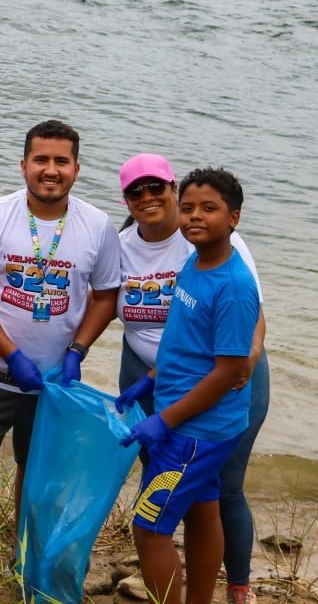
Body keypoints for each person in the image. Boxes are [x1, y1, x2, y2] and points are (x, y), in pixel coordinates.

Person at [0, 120, 121, 568]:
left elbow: (105, 297)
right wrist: (12, 355)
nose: (50, 170)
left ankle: (23, 561)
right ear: (23, 165)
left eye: (61, 161)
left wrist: (78, 352)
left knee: (38, 474)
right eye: (41, 159)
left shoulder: (97, 226)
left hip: (53, 381)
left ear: (77, 169)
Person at [112, 161, 267, 604]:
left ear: (234, 218)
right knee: (202, 510)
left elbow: (227, 371)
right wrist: (151, 381)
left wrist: (165, 421)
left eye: (210, 209)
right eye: (189, 208)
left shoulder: (234, 285)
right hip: (187, 420)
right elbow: (188, 346)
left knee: (148, 527)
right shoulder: (195, 264)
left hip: (195, 432)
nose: (196, 216)